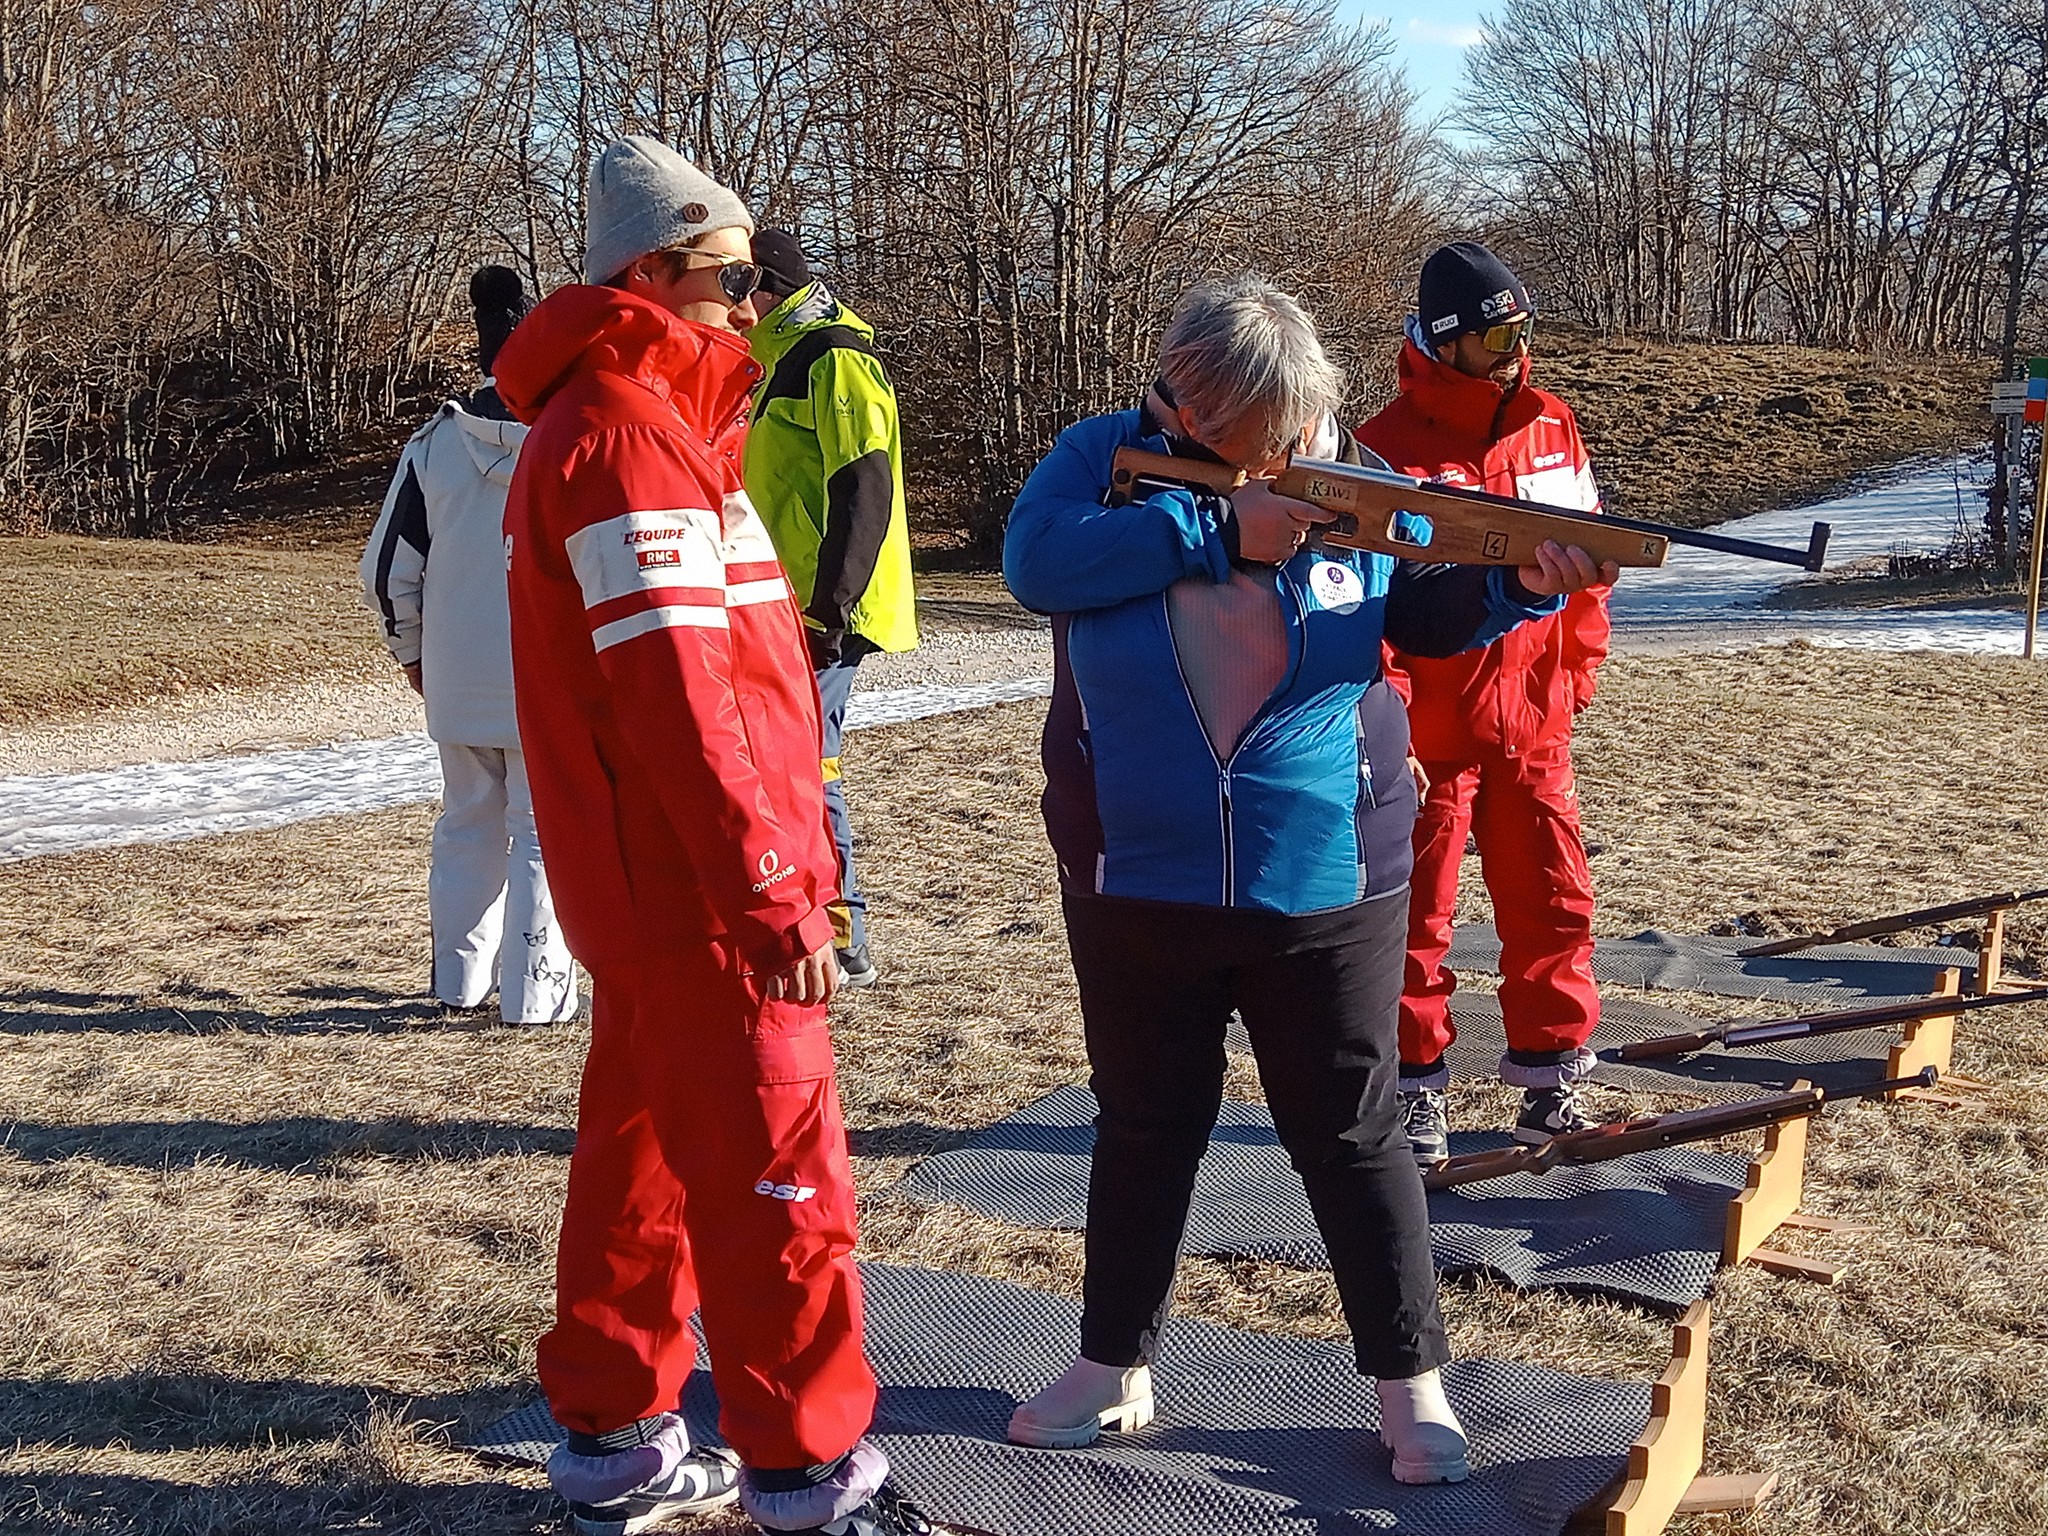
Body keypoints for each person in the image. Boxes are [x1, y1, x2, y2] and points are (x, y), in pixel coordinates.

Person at [1001, 275, 1617, 1484]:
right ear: (1182, 399)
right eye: (1236, 436)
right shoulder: (1097, 457)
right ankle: (1112, 1362)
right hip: (1134, 864)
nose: (1268, 457)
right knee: (1140, 1125)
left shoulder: (1356, 483)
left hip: (1327, 870)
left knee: (1353, 1136)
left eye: (1282, 436)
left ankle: (1409, 1384)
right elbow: (1039, 564)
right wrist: (1219, 529)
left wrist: (1517, 583)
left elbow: (1433, 607)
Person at [493, 136, 927, 1536]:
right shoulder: (627, 437)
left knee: (645, 1157)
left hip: (662, 880)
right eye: (731, 276)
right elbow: (686, 704)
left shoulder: (649, 424)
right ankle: (811, 1474)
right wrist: (777, 889)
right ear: (651, 274)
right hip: (698, 882)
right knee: (778, 1174)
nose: (753, 303)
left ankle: (614, 1424)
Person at [1356, 242, 1611, 1160]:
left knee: (1552, 901)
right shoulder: (1383, 450)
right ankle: (1415, 1090)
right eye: (1490, 339)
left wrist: (1576, 674)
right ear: (1441, 342)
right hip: (1430, 733)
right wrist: (1383, 721)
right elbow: (1368, 600)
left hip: (1533, 724)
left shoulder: (1553, 427)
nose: (1509, 355)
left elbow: (1588, 576)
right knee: (1413, 916)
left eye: (1520, 333)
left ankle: (1551, 1079)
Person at [360, 266, 579, 1026]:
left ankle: (457, 985)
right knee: (542, 834)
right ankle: (536, 996)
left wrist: (412, 654)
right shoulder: (574, 442)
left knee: (465, 826)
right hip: (554, 678)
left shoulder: (433, 448)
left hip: (456, 678)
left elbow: (388, 571)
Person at [741, 230, 918, 988]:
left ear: (764, 287)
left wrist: (831, 609)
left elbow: (865, 486)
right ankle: (828, 925)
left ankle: (843, 934)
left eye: (733, 287)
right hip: (789, 600)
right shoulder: (780, 355)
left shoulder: (834, 356)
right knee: (793, 758)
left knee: (808, 764)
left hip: (827, 607)